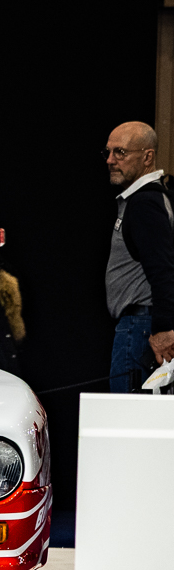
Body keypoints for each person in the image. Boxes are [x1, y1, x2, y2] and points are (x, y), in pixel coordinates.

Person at [103, 122, 174, 391]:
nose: (110, 160)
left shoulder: (145, 202)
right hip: (141, 326)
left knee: (128, 413)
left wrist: (163, 328)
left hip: (141, 328)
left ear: (147, 157)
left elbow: (163, 269)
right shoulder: (148, 199)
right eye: (108, 152)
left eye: (120, 152)